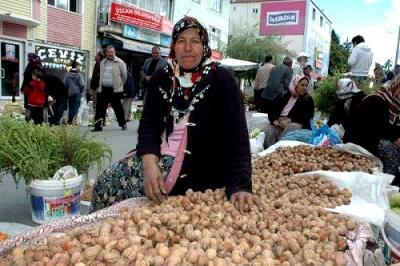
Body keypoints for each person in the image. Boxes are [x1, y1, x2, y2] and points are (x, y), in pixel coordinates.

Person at [90, 16, 260, 213]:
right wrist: (149, 165)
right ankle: (92, 232)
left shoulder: (223, 80)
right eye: (181, 41)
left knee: (127, 195)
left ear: (204, 45)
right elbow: (148, 126)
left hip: (198, 168)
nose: (188, 47)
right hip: (156, 157)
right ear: (173, 46)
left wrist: (241, 185)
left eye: (195, 41)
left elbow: (237, 135)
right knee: (104, 182)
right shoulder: (163, 77)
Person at [347, 76, 400, 179]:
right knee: (390, 149)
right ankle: (386, 180)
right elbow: (380, 130)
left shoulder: (397, 107)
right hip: (363, 143)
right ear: (396, 87)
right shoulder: (375, 100)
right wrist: (397, 140)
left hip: (378, 143)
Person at [263, 75, 314, 148]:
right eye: (302, 85)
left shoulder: (307, 100)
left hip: (296, 124)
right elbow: (272, 110)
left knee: (292, 127)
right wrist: (274, 120)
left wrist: (290, 120)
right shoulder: (285, 95)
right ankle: (269, 149)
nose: (305, 88)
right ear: (295, 85)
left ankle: (280, 148)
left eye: (306, 85)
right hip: (279, 122)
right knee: (267, 129)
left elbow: (306, 117)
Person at [93, 45, 128, 131]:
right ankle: (98, 126)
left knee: (118, 108)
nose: (110, 54)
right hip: (103, 89)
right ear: (106, 53)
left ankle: (123, 123)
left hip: (115, 90)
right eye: (108, 52)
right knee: (100, 108)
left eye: (111, 52)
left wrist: (119, 85)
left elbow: (124, 76)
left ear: (114, 52)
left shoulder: (120, 62)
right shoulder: (102, 62)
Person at [327, 78, 366, 142]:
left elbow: (356, 121)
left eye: (339, 87)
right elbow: (334, 115)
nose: (337, 90)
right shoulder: (341, 99)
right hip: (345, 133)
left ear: (345, 87)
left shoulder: (360, 99)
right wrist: (327, 128)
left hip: (357, 136)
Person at [21, 53, 43, 121]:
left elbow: (26, 78)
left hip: (30, 88)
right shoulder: (40, 65)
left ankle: (28, 121)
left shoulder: (30, 65)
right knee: (38, 107)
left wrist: (22, 88)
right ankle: (38, 122)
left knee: (29, 106)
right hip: (39, 90)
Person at [90, 50, 105, 115]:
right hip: (98, 87)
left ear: (99, 56)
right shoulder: (101, 64)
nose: (95, 56)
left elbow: (97, 77)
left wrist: (93, 86)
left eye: (96, 55)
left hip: (96, 87)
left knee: (96, 103)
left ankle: (97, 119)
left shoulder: (98, 64)